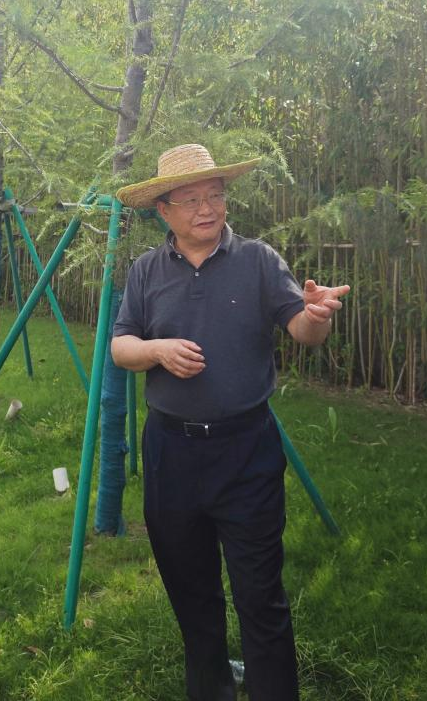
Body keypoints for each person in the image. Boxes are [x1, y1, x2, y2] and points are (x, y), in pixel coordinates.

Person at [111, 144, 350, 701]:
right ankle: (211, 688)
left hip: (246, 451)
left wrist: (315, 316)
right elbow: (121, 346)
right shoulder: (147, 270)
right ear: (164, 210)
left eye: (215, 195)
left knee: (260, 593)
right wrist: (158, 351)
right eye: (191, 199)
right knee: (190, 591)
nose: (206, 208)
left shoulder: (259, 260)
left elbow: (302, 331)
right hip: (171, 452)